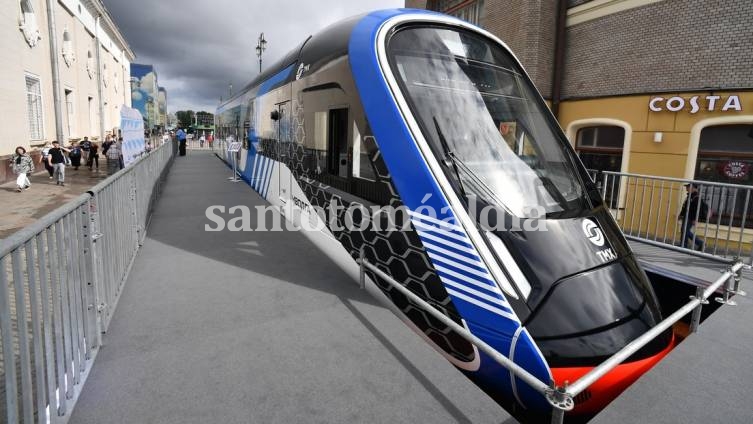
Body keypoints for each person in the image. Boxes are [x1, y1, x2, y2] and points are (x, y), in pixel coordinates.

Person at [678, 183, 709, 251]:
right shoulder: (690, 196)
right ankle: (684, 245)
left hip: (690, 217)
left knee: (685, 230)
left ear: (693, 188)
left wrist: (695, 219)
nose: (686, 188)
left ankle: (699, 243)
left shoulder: (696, 197)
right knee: (684, 230)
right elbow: (685, 207)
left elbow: (698, 210)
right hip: (687, 216)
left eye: (688, 187)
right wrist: (681, 215)